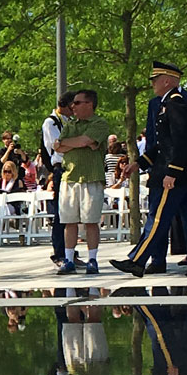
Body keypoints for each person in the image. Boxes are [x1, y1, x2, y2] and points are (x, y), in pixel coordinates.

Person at [112, 61, 187, 278]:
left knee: (159, 217)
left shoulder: (175, 103)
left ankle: (137, 260)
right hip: (180, 172)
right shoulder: (166, 103)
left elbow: (183, 141)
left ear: (167, 81)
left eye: (155, 80)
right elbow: (163, 144)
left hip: (176, 174)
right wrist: (141, 163)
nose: (152, 84)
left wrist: (173, 171)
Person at [53, 88, 110, 276]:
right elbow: (59, 146)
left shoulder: (100, 123)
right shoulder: (70, 124)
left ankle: (92, 259)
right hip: (69, 178)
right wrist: (76, 143)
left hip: (91, 177)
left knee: (91, 221)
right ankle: (68, 259)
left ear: (89, 104)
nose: (72, 106)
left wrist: (74, 143)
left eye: (77, 103)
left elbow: (87, 141)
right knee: (69, 221)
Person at [41, 94, 71, 265]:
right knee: (61, 212)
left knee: (71, 213)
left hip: (73, 167)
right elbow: (56, 145)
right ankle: (59, 253)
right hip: (60, 167)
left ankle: (70, 251)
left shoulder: (69, 120)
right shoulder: (51, 122)